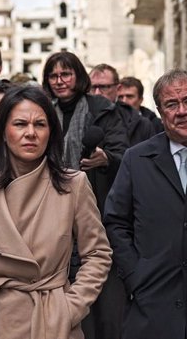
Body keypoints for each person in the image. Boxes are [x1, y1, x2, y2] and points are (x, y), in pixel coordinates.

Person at [0, 85, 112, 339]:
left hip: (53, 322)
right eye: (20, 124)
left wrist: (68, 309)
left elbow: (98, 254)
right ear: (3, 132)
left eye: (40, 124)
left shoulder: (74, 184)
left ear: (51, 132)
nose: (30, 133)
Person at [104, 69, 187, 339]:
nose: (182, 111)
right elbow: (115, 222)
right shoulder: (137, 159)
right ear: (160, 111)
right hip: (151, 311)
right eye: (171, 104)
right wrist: (134, 276)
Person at [42, 52, 128, 339]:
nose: (60, 81)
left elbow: (125, 154)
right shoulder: (41, 110)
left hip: (95, 207)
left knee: (101, 300)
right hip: (49, 213)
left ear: (78, 76)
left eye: (65, 74)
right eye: (53, 76)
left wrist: (107, 159)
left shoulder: (101, 108)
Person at [90, 65, 157, 147]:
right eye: (93, 87)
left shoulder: (141, 124)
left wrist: (108, 156)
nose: (97, 93)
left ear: (117, 89)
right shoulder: (78, 118)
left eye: (104, 87)